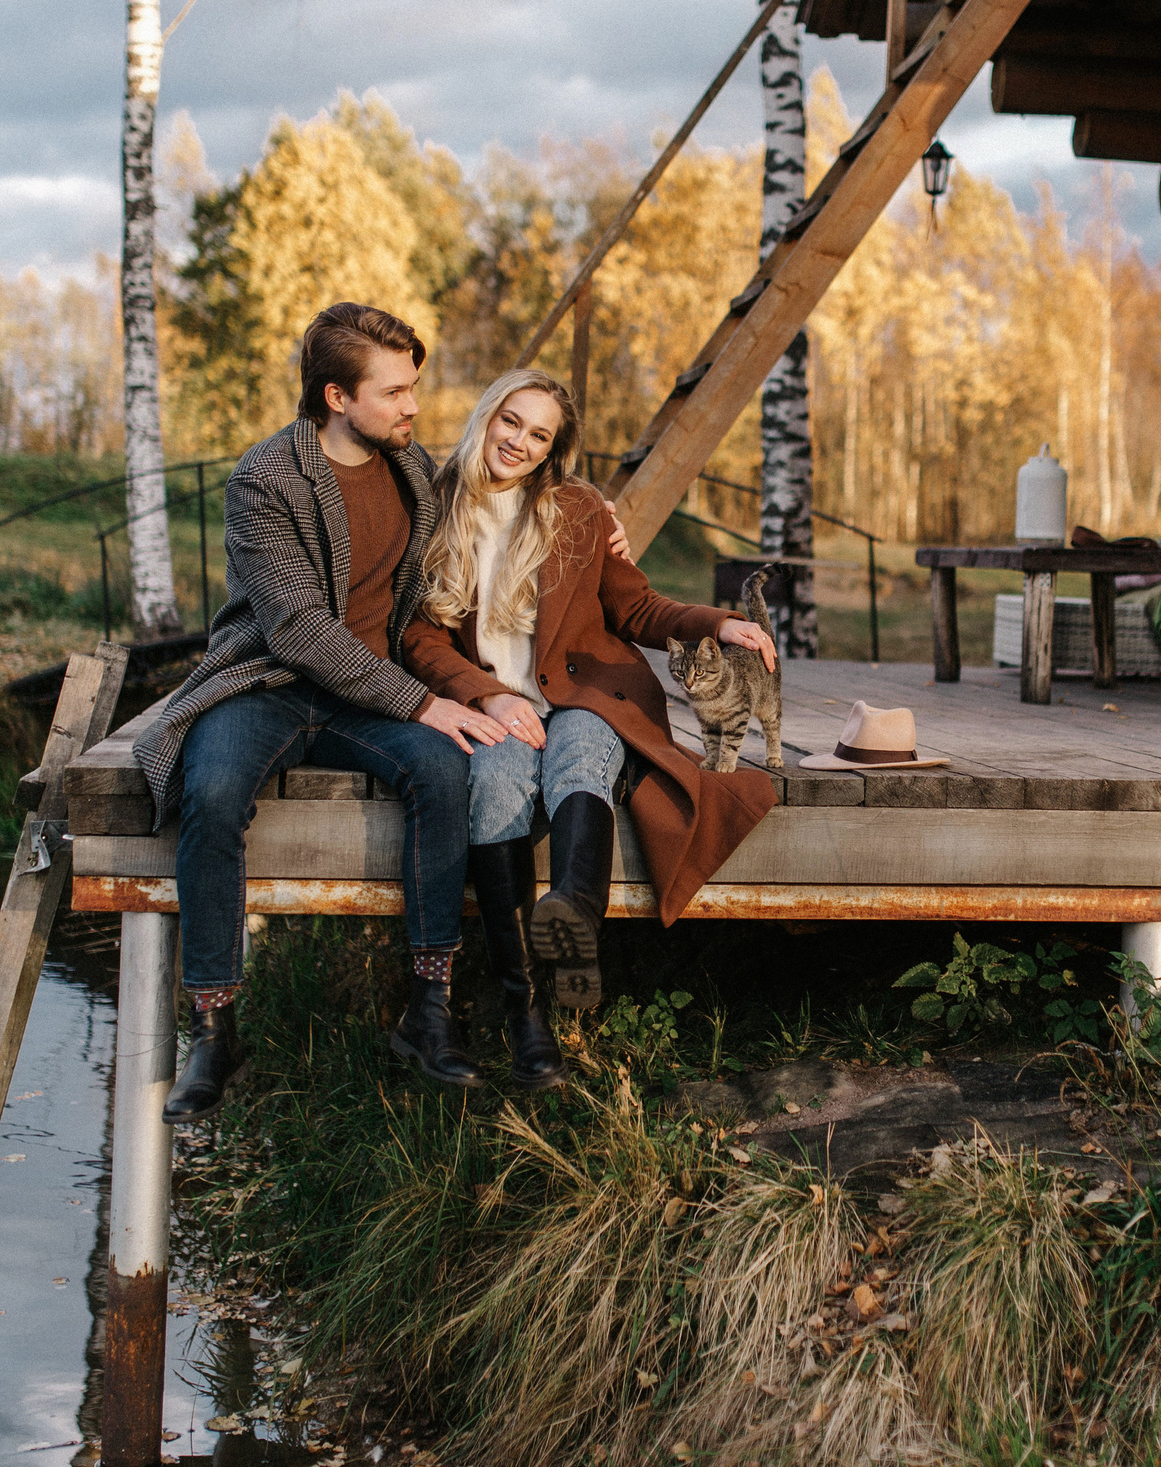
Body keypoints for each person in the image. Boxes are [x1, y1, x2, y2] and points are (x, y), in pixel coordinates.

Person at [131, 305, 628, 1118]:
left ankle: (427, 1010)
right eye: (395, 392)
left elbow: (507, 489)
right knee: (212, 790)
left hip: (371, 695)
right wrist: (422, 700)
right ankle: (214, 1026)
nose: (413, 407)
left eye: (414, 388)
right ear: (337, 395)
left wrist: (604, 524)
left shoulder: (413, 470)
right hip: (269, 681)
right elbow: (295, 628)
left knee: (442, 771)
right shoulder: (266, 479)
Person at [406, 369, 778, 1069]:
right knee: (494, 781)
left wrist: (720, 623)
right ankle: (526, 1014)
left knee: (580, 752)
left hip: (588, 693)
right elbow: (421, 634)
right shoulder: (436, 504)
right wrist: (485, 693)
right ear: (488, 415)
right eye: (510, 421)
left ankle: (575, 912)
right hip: (499, 706)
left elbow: (638, 609)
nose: (518, 441)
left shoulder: (575, 508)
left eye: (538, 434)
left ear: (553, 449)